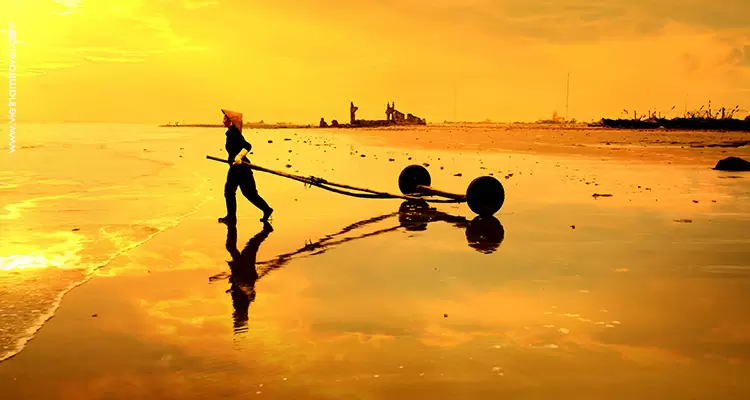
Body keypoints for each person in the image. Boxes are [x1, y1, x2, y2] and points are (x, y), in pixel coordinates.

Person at [219, 109, 273, 224]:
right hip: (237, 167)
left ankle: (232, 218)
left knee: (241, 193)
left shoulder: (234, 133)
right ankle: (265, 210)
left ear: (230, 121)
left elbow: (247, 146)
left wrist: (239, 156)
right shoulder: (231, 132)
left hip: (240, 168)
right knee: (239, 192)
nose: (222, 120)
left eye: (225, 118)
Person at [225, 221, 273, 332]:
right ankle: (266, 231)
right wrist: (236, 286)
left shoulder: (240, 306)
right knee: (248, 246)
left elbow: (245, 293)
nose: (233, 316)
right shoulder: (241, 306)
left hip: (244, 271)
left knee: (245, 247)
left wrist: (233, 288)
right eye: (236, 319)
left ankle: (265, 231)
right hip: (245, 271)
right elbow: (248, 293)